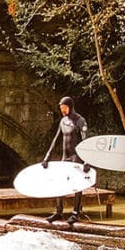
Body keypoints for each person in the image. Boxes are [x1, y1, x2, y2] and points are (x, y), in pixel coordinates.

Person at [41, 96, 89, 224]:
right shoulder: (62, 121)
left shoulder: (80, 121)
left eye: (64, 108)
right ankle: (58, 212)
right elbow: (56, 140)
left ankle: (76, 212)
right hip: (65, 156)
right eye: (61, 108)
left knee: (77, 184)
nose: (62, 110)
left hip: (76, 157)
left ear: (70, 107)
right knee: (59, 182)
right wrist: (47, 157)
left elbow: (86, 141)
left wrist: (86, 161)